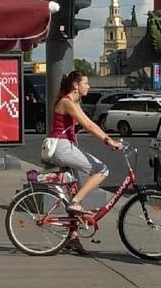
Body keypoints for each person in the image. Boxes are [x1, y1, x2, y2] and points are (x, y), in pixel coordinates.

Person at [44, 71, 122, 254]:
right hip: (62, 148)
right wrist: (108, 141)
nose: (89, 86)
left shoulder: (72, 102)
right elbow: (89, 125)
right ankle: (76, 202)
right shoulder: (67, 102)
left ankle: (73, 238)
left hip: (66, 147)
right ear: (75, 85)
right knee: (102, 170)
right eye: (85, 83)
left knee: (75, 191)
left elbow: (87, 123)